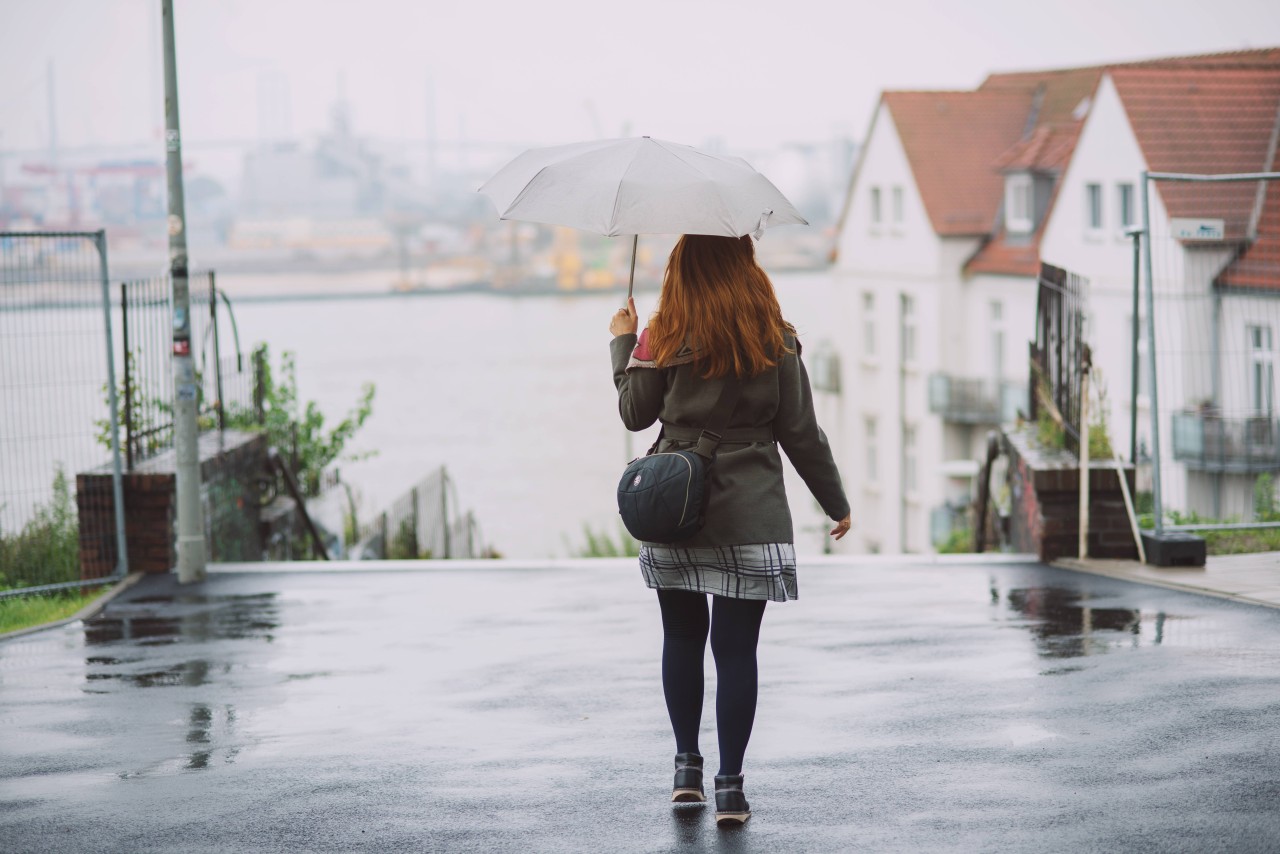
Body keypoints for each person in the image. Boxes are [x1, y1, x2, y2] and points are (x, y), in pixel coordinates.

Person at [608, 233, 851, 826]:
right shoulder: (775, 337)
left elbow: (634, 414)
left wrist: (623, 343)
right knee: (737, 651)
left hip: (675, 510)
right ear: (745, 265)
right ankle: (730, 790)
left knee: (682, 639)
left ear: (680, 271)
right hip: (752, 513)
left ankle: (685, 771)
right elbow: (802, 435)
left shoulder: (661, 336)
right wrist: (835, 502)